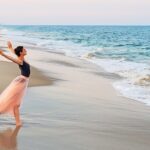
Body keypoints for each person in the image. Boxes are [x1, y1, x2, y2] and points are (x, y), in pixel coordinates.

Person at [0, 41, 30, 127]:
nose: (25, 50)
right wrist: (3, 54)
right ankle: (18, 123)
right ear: (21, 52)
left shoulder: (22, 59)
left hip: (23, 82)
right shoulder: (20, 61)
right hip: (21, 82)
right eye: (24, 50)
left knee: (16, 104)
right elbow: (12, 59)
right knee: (14, 103)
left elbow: (16, 54)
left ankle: (18, 123)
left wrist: (10, 48)